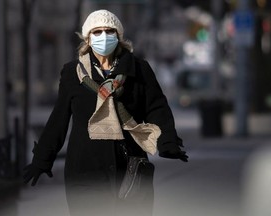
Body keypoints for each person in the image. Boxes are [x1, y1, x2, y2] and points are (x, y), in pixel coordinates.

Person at [23, 9, 188, 216]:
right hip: (85, 171)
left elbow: (157, 108)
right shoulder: (73, 73)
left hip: (130, 169)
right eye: (97, 31)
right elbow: (59, 119)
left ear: (118, 36)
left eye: (109, 31)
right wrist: (42, 160)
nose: (103, 36)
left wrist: (168, 143)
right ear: (88, 38)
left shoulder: (139, 69)